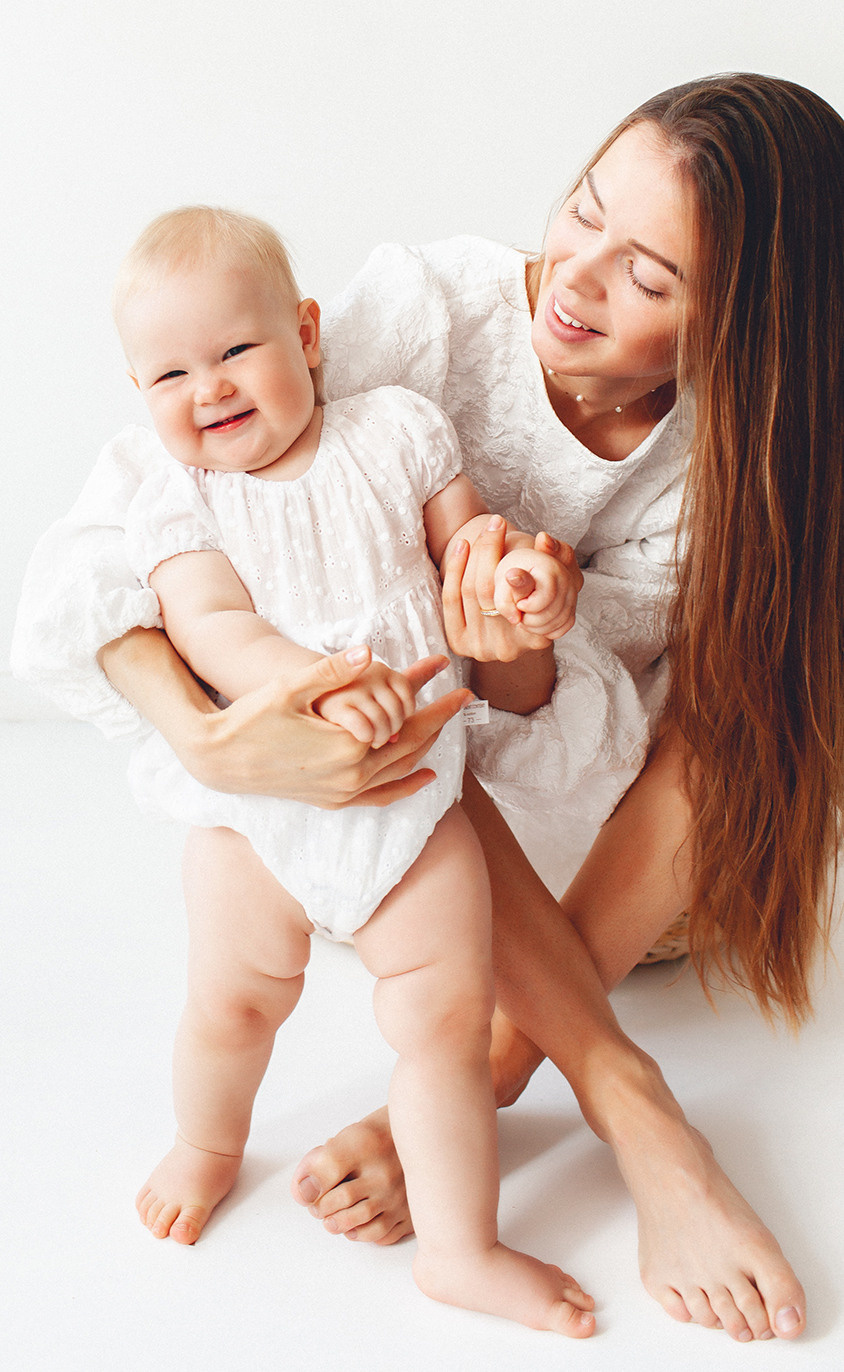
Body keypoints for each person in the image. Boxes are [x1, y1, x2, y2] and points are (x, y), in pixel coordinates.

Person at [14, 73, 841, 1344]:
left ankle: (516, 1072)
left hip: (591, 863)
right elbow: (126, 521)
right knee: (380, 799)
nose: (575, 279)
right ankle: (615, 1095)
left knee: (762, 686)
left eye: (648, 278)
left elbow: (572, 735)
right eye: (583, 210)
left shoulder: (730, 463)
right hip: (350, 809)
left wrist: (513, 653)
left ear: (739, 327)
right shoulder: (433, 315)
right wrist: (205, 732)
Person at [101, 206, 592, 1336]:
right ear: (139, 393)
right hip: (258, 817)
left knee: (445, 1027)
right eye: (169, 374)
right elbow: (213, 627)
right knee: (232, 1004)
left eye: (235, 349)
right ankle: (207, 1144)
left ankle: (460, 1250)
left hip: (414, 803)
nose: (209, 388)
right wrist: (312, 682)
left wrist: (511, 577)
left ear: (308, 333)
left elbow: (465, 548)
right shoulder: (177, 497)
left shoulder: (397, 432)